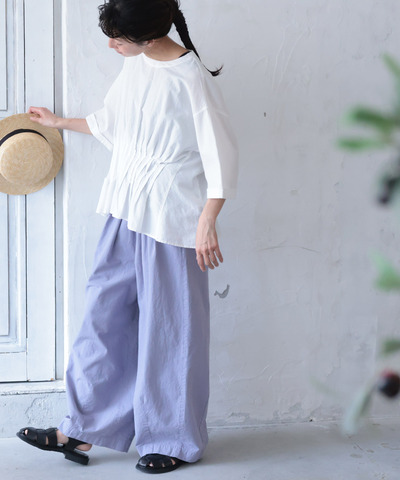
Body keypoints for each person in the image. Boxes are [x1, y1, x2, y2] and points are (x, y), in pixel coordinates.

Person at [17, 0, 238, 474]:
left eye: (118, 38)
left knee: (171, 330)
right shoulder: (137, 65)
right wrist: (59, 122)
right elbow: (113, 124)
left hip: (173, 219)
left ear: (150, 37)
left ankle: (173, 439)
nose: (111, 45)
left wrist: (208, 218)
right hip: (125, 209)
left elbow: (222, 153)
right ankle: (83, 428)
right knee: (104, 317)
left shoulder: (192, 79)